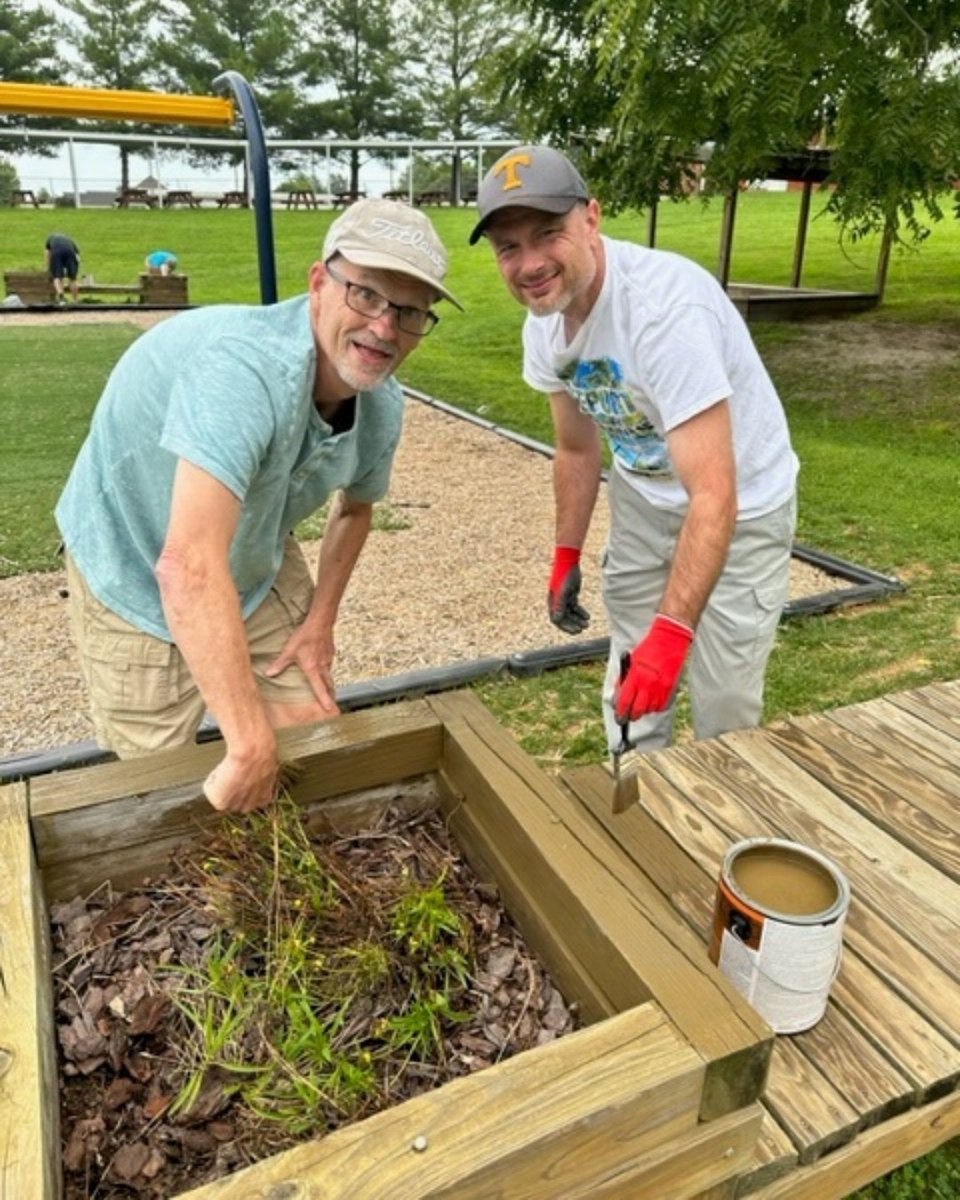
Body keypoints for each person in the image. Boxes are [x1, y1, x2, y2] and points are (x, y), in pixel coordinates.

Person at [57, 198, 461, 813]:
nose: (385, 327)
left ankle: (292, 877)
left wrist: (320, 623)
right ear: (320, 283)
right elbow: (187, 566)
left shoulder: (382, 405)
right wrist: (246, 745)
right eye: (368, 295)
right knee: (163, 782)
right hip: (133, 557)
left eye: (409, 312)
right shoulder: (244, 374)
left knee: (310, 727)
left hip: (247, 548)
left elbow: (355, 510)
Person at [470, 145, 798, 755]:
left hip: (743, 503)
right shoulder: (543, 322)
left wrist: (673, 635)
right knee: (632, 669)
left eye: (548, 234)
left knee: (724, 696)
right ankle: (640, 794)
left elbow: (715, 493)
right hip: (645, 495)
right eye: (508, 247)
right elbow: (576, 449)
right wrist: (565, 554)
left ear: (591, 219)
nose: (530, 263)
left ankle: (720, 813)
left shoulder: (665, 313)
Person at [45, 232, 80, 303]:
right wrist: (75, 270)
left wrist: (50, 267)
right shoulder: (70, 240)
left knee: (57, 278)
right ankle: (75, 300)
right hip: (70, 252)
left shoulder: (50, 239)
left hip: (56, 253)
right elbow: (77, 256)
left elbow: (47, 254)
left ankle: (61, 298)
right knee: (73, 279)